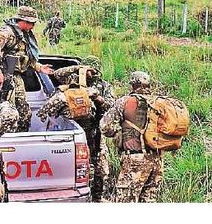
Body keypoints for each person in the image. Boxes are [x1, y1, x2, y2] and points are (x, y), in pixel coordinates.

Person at [36, 55, 114, 202]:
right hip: (74, 129)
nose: (89, 73)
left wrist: (97, 98)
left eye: (92, 70)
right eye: (86, 69)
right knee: (75, 167)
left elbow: (111, 107)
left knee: (101, 169)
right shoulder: (72, 79)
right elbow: (57, 74)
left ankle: (97, 198)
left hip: (95, 130)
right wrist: (77, 69)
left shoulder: (103, 86)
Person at [0, 6, 54, 132]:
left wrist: (39, 67)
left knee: (25, 113)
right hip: (6, 77)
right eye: (31, 23)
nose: (33, 26)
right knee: (7, 115)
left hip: (17, 77)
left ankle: (22, 137)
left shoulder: (24, 35)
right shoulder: (7, 32)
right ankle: (8, 141)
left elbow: (24, 56)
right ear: (23, 21)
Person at [100, 71, 163, 203]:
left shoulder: (125, 102)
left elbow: (105, 126)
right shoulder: (159, 102)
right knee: (149, 201)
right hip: (157, 159)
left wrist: (117, 134)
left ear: (133, 85)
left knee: (125, 200)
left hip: (135, 160)